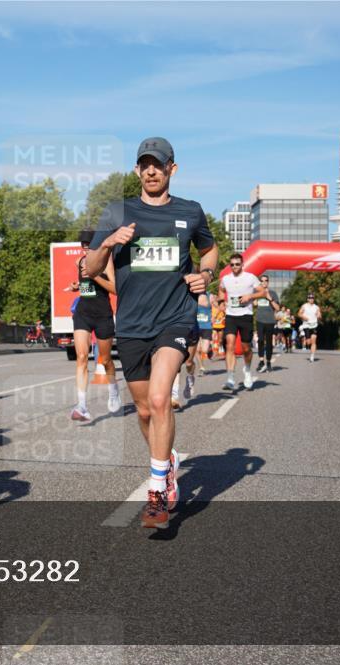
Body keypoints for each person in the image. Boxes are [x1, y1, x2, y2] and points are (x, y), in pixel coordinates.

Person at [86, 137, 218, 529]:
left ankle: (157, 491)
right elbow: (91, 268)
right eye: (144, 164)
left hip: (175, 318)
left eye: (158, 165)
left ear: (171, 169)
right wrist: (108, 242)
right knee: (144, 410)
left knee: (161, 400)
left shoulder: (190, 212)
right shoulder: (117, 212)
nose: (151, 171)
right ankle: (169, 461)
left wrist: (205, 275)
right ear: (136, 170)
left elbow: (209, 251)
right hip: (131, 325)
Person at [63, 229, 120, 421]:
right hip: (83, 313)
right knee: (81, 357)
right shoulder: (79, 262)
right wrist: (76, 286)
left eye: (89, 246)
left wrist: (95, 276)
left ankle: (113, 390)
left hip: (102, 314)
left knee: (104, 361)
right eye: (83, 246)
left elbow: (115, 289)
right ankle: (82, 406)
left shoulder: (106, 261)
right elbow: (85, 284)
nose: (86, 250)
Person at [219, 253, 265, 391]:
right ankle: (230, 378)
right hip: (231, 316)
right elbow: (221, 290)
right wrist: (222, 302)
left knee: (246, 348)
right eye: (232, 264)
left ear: (242, 264)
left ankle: (247, 370)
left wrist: (250, 295)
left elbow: (262, 292)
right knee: (230, 345)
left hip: (246, 315)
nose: (234, 267)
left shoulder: (250, 277)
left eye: (237, 264)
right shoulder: (225, 279)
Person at [254, 274, 280, 372]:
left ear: (268, 282)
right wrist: (256, 298)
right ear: (260, 282)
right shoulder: (257, 292)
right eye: (262, 280)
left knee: (269, 342)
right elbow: (254, 305)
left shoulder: (273, 293)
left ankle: (268, 362)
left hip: (270, 321)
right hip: (259, 320)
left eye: (266, 280)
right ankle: (261, 361)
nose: (264, 282)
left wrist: (270, 298)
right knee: (260, 340)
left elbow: (277, 308)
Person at [298, 293, 322, 362]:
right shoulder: (304, 306)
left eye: (312, 298)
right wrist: (303, 317)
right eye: (310, 298)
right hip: (306, 325)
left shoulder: (316, 307)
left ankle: (312, 356)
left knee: (314, 341)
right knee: (308, 342)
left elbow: (319, 315)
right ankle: (307, 342)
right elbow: (299, 314)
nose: (311, 299)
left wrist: (319, 316)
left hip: (314, 325)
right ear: (308, 299)